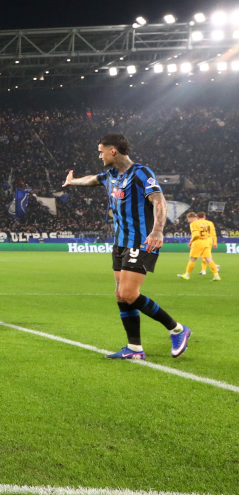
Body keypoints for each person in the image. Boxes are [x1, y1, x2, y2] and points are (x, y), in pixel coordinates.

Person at [64, 133, 190, 359]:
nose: (99, 155)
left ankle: (177, 329)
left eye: (101, 151)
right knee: (121, 296)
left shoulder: (141, 172)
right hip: (120, 242)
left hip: (142, 241)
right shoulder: (110, 174)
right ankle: (134, 349)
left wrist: (158, 230)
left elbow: (159, 200)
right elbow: (92, 179)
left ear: (113, 151)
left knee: (129, 293)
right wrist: (72, 181)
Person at [179, 212, 220, 281]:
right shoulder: (206, 223)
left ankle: (187, 275)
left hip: (198, 242)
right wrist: (214, 242)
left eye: (189, 219)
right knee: (208, 259)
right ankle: (216, 276)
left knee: (192, 259)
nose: (189, 221)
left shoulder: (193, 224)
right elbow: (212, 233)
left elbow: (196, 235)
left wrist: (191, 241)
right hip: (206, 242)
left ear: (191, 218)